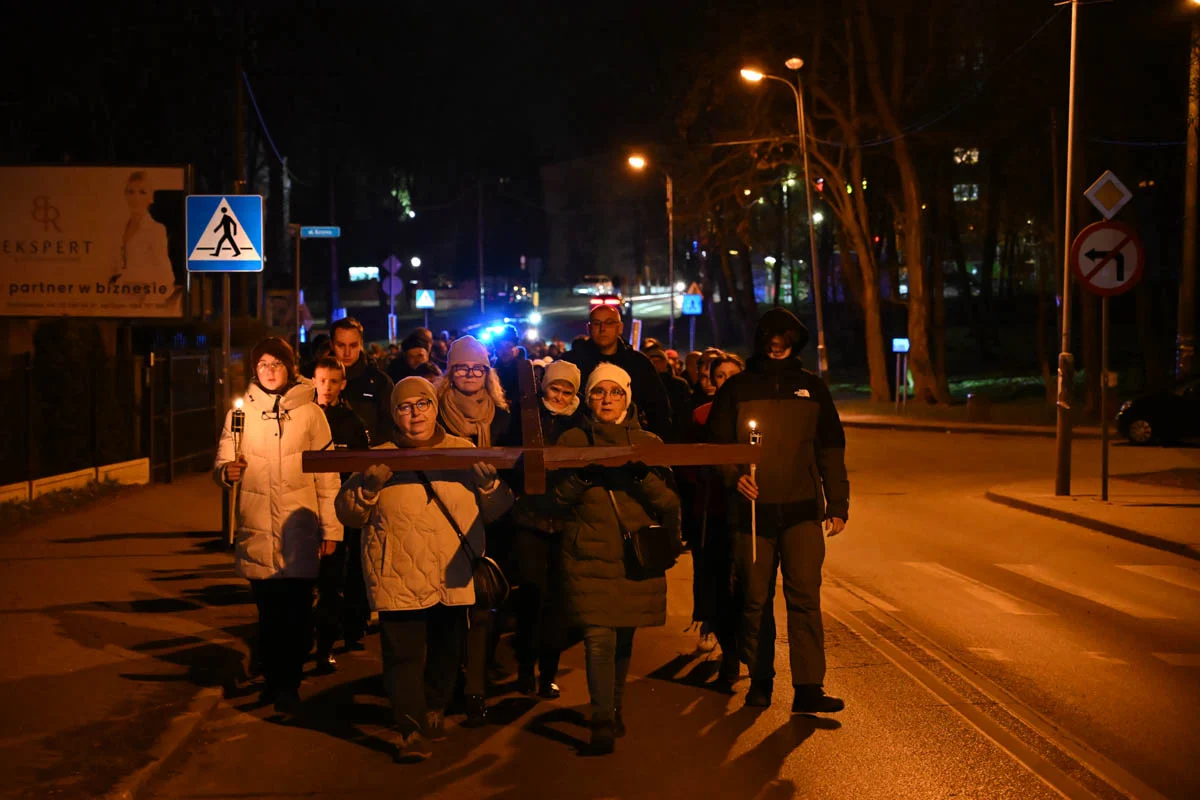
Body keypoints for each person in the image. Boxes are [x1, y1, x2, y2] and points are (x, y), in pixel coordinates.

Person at [336, 377, 513, 763]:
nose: (415, 413)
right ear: (394, 412)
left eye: (422, 404)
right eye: (405, 406)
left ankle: (435, 704)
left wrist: (489, 485)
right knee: (403, 655)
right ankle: (410, 728)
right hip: (397, 572)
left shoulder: (463, 451)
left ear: (435, 407)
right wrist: (367, 488)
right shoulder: (378, 457)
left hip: (452, 572)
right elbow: (348, 514)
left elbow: (498, 510)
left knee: (447, 650)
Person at [708, 308, 850, 714]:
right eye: (770, 337)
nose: (777, 344)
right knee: (755, 599)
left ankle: (808, 686)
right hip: (752, 513)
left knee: (804, 597)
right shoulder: (736, 389)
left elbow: (831, 449)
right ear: (761, 339)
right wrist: (734, 476)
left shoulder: (812, 389)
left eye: (784, 338)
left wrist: (837, 504)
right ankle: (761, 679)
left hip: (802, 512)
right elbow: (717, 446)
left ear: (795, 342)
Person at [551, 363, 681, 755]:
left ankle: (615, 707)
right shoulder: (571, 438)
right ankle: (602, 719)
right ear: (587, 397)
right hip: (589, 556)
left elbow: (671, 504)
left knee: (622, 640)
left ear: (627, 397)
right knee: (599, 641)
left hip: (633, 558)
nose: (607, 400)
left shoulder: (648, 441)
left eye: (615, 392)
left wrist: (643, 477)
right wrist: (581, 478)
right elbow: (554, 501)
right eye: (598, 392)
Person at [214, 337, 341, 713]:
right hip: (257, 527)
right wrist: (226, 471)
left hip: (300, 530)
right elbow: (224, 456)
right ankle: (274, 681)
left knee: (298, 615)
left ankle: (288, 684)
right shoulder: (241, 413)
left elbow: (327, 475)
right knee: (269, 615)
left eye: (276, 363)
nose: (269, 370)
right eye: (262, 364)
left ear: (290, 367)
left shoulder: (311, 413)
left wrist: (331, 530)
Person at [435, 335, 516, 725]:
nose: (469, 375)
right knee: (451, 608)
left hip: (488, 519)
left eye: (477, 368)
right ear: (450, 373)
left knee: (484, 606)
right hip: (445, 519)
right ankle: (450, 681)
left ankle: (475, 688)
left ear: (487, 372)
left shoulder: (501, 417)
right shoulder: (433, 412)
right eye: (461, 368)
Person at [510, 360, 583, 699]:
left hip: (567, 521)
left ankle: (548, 672)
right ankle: (525, 666)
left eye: (568, 390)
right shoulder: (525, 417)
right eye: (555, 388)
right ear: (544, 387)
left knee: (559, 601)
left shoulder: (582, 423)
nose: (560, 395)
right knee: (531, 594)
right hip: (530, 518)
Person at [311, 356, 371, 673]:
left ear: (342, 384)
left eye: (334, 381)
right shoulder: (301, 417)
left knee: (334, 582)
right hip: (305, 511)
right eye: (322, 380)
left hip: (338, 512)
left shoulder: (350, 421)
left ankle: (325, 646)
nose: (327, 387)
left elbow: (359, 468)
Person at [686, 352, 744, 675]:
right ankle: (729, 651)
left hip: (749, 508)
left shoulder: (755, 412)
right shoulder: (701, 415)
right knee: (720, 584)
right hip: (714, 508)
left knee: (748, 586)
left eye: (732, 375)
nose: (725, 382)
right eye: (719, 376)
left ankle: (748, 648)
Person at [563, 303, 673, 440]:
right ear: (589, 328)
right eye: (597, 323)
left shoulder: (639, 363)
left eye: (609, 323)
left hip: (631, 441)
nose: (603, 329)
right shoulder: (572, 362)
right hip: (584, 440)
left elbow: (658, 409)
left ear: (620, 328)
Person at [331, 317, 394, 446]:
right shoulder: (314, 378)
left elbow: (388, 428)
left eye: (353, 345)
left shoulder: (379, 382)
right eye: (341, 345)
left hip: (367, 457)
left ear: (361, 344)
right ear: (332, 345)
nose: (347, 352)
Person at [111, 171, 176, 288]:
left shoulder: (156, 230)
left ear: (151, 198)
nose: (135, 197)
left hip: (144, 298)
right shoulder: (118, 229)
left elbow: (166, 275)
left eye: (142, 192)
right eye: (131, 192)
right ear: (125, 195)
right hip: (118, 297)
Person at [643, 343, 692, 442]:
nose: (655, 364)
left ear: (665, 363)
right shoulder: (642, 384)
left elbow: (685, 413)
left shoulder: (679, 384)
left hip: (675, 436)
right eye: (652, 361)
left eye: (659, 361)